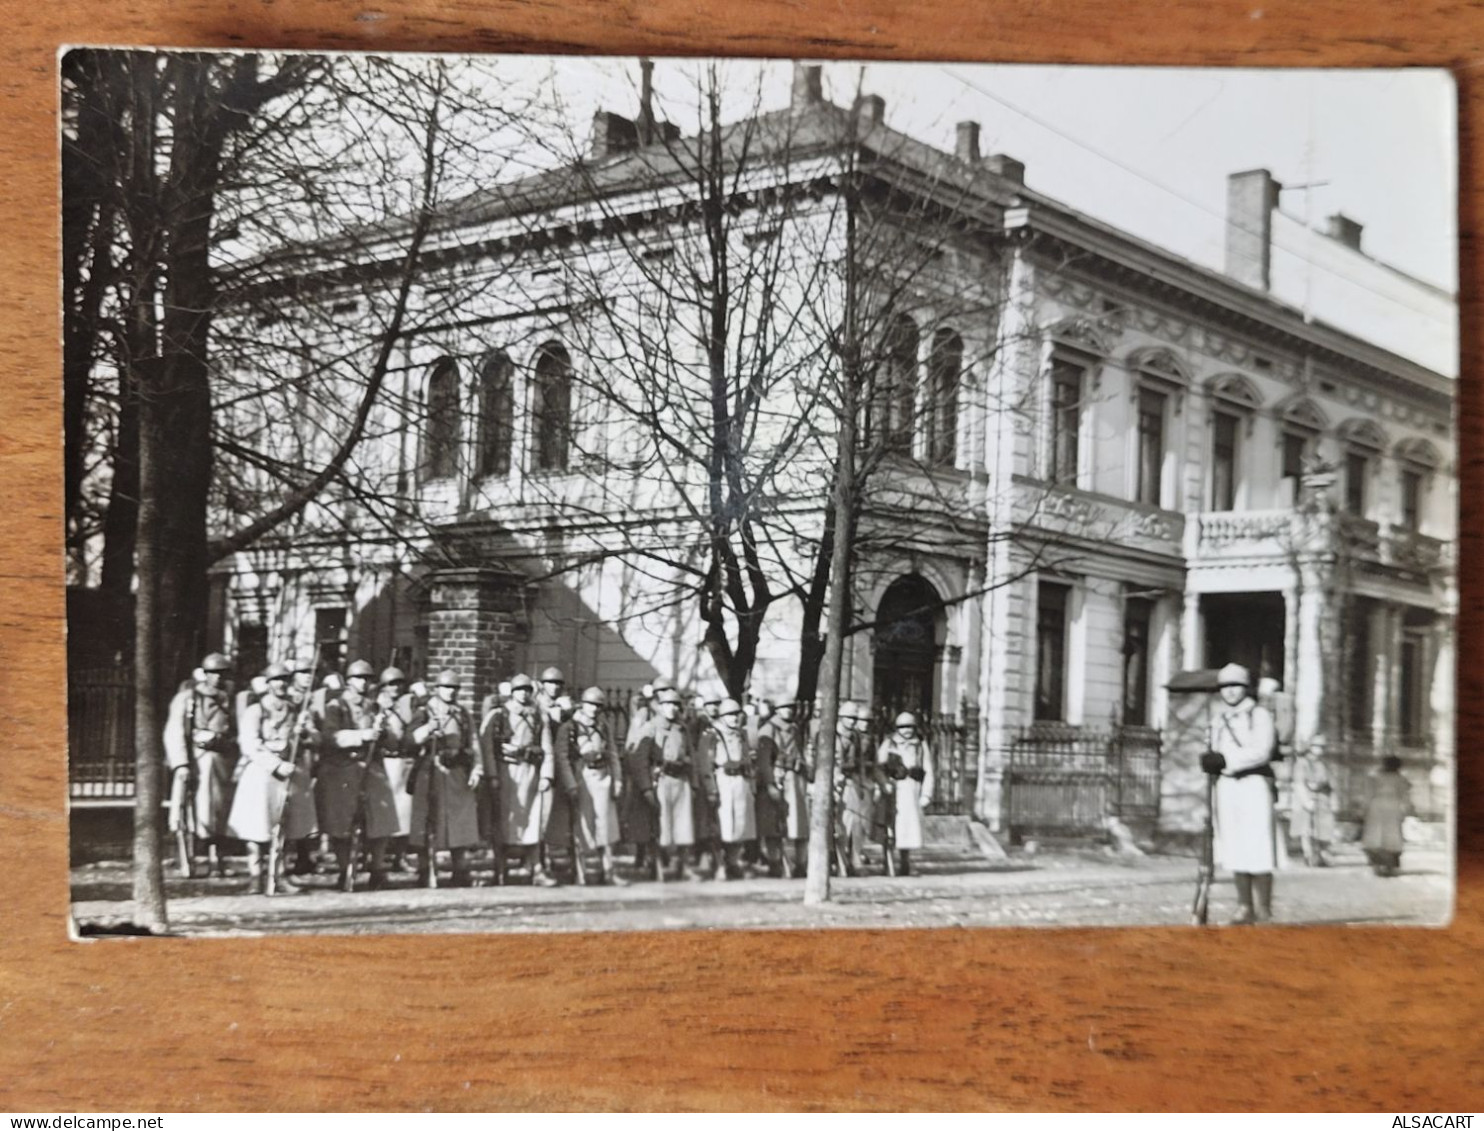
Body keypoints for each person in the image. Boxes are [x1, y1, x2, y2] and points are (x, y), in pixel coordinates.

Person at [1200, 663, 1279, 925]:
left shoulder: (1258, 715)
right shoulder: (1217, 719)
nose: (1230, 692)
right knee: (1234, 846)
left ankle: (1264, 908)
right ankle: (1244, 907)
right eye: (1225, 687)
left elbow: (1261, 751)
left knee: (1258, 845)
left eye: (1236, 686)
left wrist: (1225, 759)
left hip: (1253, 784)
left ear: (1245, 688)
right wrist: (1209, 760)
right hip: (1227, 786)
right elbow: (1213, 751)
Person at [226, 663, 302, 894]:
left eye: (285, 680)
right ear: (268, 683)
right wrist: (275, 764)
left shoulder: (294, 709)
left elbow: (309, 740)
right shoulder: (255, 711)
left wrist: (305, 730)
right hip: (261, 771)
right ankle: (256, 876)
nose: (281, 684)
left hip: (287, 771)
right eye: (276, 680)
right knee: (256, 826)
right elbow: (250, 744)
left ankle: (279, 874)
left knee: (285, 826)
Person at [163, 651, 238, 878]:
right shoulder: (188, 698)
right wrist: (181, 764)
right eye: (214, 673)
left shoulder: (226, 699)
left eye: (222, 674)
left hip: (222, 761)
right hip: (196, 761)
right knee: (192, 813)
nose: (218, 678)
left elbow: (233, 730)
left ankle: (217, 861)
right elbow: (174, 731)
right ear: (204, 674)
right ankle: (188, 860)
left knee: (218, 811)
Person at [407, 669, 483, 887]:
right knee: (427, 821)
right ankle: (425, 869)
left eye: (454, 688)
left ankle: (460, 869)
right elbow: (410, 739)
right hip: (431, 771)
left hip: (457, 772)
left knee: (460, 823)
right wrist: (429, 729)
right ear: (437, 689)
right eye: (446, 688)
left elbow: (473, 743)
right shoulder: (425, 711)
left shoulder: (463, 714)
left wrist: (476, 769)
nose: (450, 692)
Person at [482, 673, 558, 887]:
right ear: (512, 693)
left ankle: (536, 869)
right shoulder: (498, 715)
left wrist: (546, 775)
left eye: (527, 690)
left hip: (531, 774)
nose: (523, 694)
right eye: (519, 690)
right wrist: (492, 775)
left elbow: (547, 748)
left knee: (533, 823)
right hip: (507, 774)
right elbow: (487, 747)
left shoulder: (538, 716)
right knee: (503, 824)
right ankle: (500, 869)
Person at [317, 659, 385, 890]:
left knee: (379, 820)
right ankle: (346, 869)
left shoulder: (374, 706)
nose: (364, 683)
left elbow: (389, 739)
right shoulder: (337, 706)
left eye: (367, 679)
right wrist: (363, 735)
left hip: (370, 767)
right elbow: (331, 737)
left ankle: (377, 869)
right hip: (343, 768)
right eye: (359, 678)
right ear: (349, 680)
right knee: (342, 824)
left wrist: (383, 729)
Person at [555, 687, 626, 885]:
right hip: (582, 776)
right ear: (582, 704)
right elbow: (562, 758)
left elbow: (612, 754)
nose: (594, 709)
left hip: (603, 777)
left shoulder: (603, 727)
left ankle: (608, 870)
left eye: (597, 706)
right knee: (583, 824)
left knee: (606, 823)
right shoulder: (569, 727)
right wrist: (570, 784)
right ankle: (581, 871)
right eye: (590, 704)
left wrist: (617, 781)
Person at [635, 687, 700, 880]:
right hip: (660, 780)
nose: (671, 708)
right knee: (661, 825)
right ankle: (656, 863)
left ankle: (683, 865)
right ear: (660, 707)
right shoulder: (651, 727)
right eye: (667, 704)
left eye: (675, 705)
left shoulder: (682, 729)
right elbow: (641, 760)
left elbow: (692, 758)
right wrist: (646, 788)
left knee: (684, 825)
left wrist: (694, 784)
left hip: (681, 781)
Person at [698, 698, 758, 880]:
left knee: (740, 825)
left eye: (736, 714)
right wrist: (711, 789)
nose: (733, 718)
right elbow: (705, 765)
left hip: (740, 781)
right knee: (721, 826)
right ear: (722, 716)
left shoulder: (741, 735)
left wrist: (752, 786)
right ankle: (720, 864)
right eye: (729, 715)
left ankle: (733, 861)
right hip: (722, 780)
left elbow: (748, 760)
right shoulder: (712, 735)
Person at [877, 712, 935, 877]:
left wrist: (926, 794)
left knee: (908, 828)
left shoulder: (920, 745)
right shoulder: (889, 743)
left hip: (912, 790)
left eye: (910, 727)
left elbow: (928, 770)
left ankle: (905, 861)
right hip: (894, 789)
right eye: (903, 727)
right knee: (891, 827)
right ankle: (887, 862)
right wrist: (884, 784)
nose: (907, 730)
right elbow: (879, 767)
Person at [758, 699, 811, 877]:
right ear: (777, 710)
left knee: (800, 826)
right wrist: (770, 784)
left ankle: (801, 864)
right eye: (783, 707)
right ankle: (775, 864)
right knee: (775, 826)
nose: (787, 711)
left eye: (790, 707)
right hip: (778, 778)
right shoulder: (768, 730)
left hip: (796, 780)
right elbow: (764, 762)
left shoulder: (795, 729)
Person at [282, 655, 322, 877]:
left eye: (310, 673)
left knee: (303, 812)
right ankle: (282, 859)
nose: (308, 677)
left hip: (305, 760)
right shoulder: (285, 698)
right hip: (284, 760)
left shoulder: (313, 701)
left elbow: (318, 736)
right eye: (303, 673)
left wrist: (308, 731)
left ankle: (304, 857)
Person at [834, 701, 880, 876]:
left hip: (853, 782)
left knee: (856, 824)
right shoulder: (834, 735)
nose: (854, 722)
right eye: (850, 718)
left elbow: (860, 762)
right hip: (838, 782)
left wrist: (861, 783)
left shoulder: (856, 738)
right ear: (841, 717)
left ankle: (853, 858)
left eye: (855, 718)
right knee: (841, 824)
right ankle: (839, 860)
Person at [1289, 738, 1336, 868]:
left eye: (1322, 747)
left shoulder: (1323, 764)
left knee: (1323, 829)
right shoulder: (1302, 763)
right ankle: (1309, 855)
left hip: (1322, 799)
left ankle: (1322, 855)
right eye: (1316, 746)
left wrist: (1330, 796)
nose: (1319, 750)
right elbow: (1299, 783)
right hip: (1307, 799)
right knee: (1306, 830)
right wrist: (1306, 801)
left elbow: (1329, 782)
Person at [1362, 755, 1412, 877]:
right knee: (1392, 836)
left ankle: (1377, 865)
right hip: (1393, 807)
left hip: (1376, 806)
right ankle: (1390, 866)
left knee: (1375, 835)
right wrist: (1405, 810)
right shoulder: (1401, 779)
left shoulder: (1373, 777)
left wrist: (1364, 809)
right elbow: (1405, 796)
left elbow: (1368, 794)